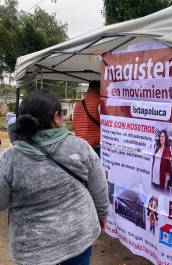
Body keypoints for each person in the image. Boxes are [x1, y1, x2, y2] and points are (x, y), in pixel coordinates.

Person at [0, 90, 109, 265]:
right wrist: (102, 214)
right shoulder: (80, 146)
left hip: (32, 249)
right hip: (78, 237)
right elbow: (100, 188)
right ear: (57, 117)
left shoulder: (9, 158)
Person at [72, 80, 101, 156]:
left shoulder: (77, 104)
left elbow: (74, 123)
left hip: (80, 145)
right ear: (99, 89)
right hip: (96, 147)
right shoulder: (100, 104)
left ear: (89, 89)